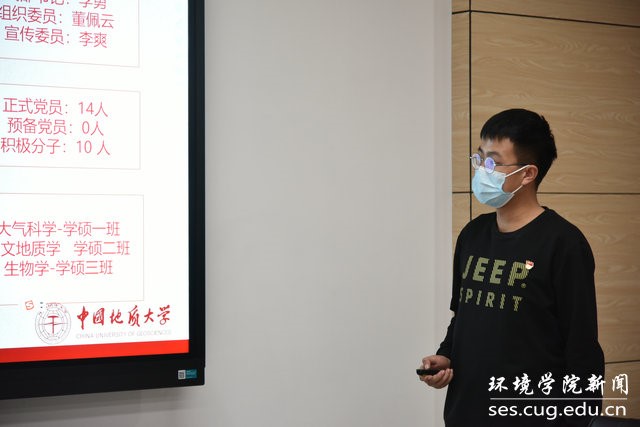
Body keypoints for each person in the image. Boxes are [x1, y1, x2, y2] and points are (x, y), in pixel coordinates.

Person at [419, 109, 604, 426]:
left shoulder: (563, 243)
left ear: (527, 174)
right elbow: (463, 314)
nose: (481, 170)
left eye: (492, 163)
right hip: (466, 413)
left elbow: (581, 348)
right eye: (479, 158)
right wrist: (445, 356)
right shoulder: (472, 235)